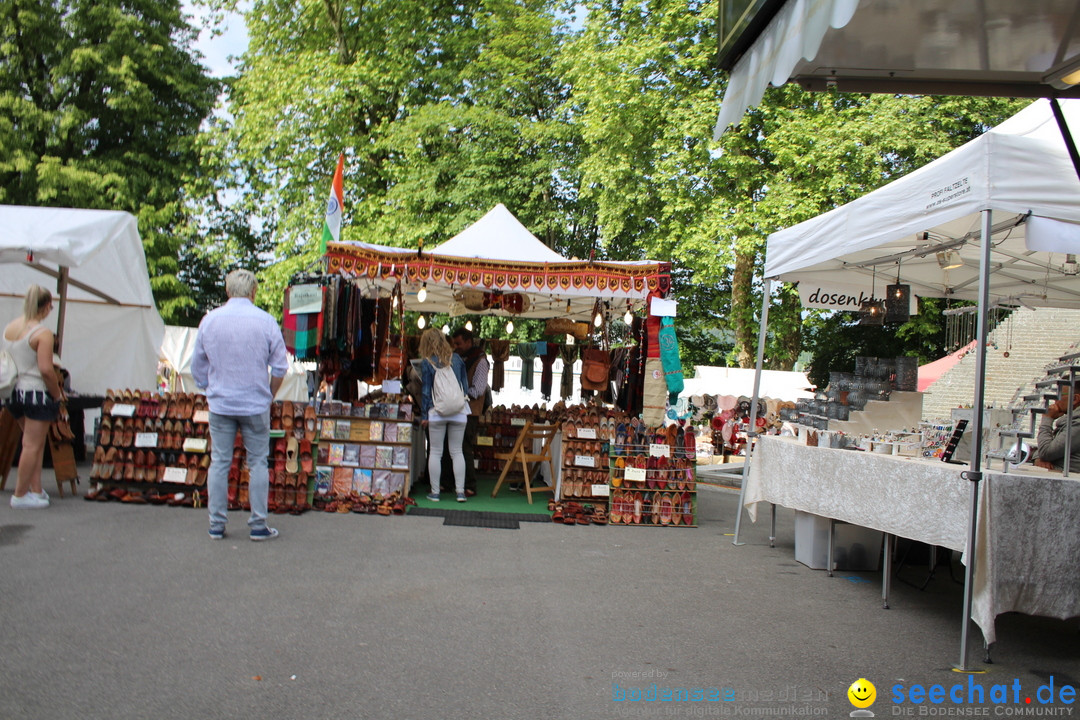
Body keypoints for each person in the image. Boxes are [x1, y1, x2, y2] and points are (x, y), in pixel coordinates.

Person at [192, 270, 289, 541]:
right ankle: (258, 524)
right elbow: (281, 366)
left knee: (220, 461)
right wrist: (269, 394)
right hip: (255, 403)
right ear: (253, 292)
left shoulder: (210, 321)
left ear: (227, 291)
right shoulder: (266, 321)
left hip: (221, 403)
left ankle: (216, 524)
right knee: (258, 462)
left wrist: (209, 388)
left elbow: (197, 367)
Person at [3, 285, 63, 509]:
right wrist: (57, 395)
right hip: (35, 392)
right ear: (46, 306)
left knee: (32, 444)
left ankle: (36, 489)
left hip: (13, 391)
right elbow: (46, 370)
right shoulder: (42, 333)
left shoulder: (10, 328)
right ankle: (20, 495)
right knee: (31, 445)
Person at [419, 328, 469, 502]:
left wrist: (425, 413)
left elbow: (426, 391)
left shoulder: (427, 362)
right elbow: (465, 387)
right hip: (458, 410)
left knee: (435, 452)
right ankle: (460, 492)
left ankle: (435, 492)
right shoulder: (457, 359)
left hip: (437, 411)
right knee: (457, 451)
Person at [451, 327, 490, 497]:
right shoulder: (461, 358)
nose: (456, 346)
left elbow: (479, 390)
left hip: (470, 411)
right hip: (458, 409)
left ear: (468, 342)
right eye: (455, 344)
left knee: (465, 447)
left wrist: (459, 393)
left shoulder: (480, 361)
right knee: (455, 447)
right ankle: (456, 481)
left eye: (459, 343)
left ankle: (470, 485)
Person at [1034, 382, 1080, 471]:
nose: (1055, 400)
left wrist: (1047, 419)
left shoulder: (1077, 423)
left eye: (1059, 395)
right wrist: (1038, 458)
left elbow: (1046, 452)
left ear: (1075, 399)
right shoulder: (1070, 420)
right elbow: (1045, 446)